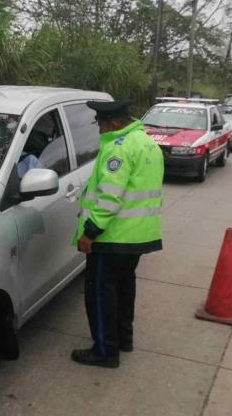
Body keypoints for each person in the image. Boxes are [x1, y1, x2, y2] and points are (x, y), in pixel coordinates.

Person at [70, 100, 164, 368]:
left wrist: (90, 233)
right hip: (138, 236)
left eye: (100, 125)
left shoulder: (117, 149)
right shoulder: (146, 142)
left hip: (112, 237)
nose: (99, 131)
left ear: (112, 124)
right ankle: (123, 339)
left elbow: (110, 199)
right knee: (124, 289)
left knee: (100, 295)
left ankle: (104, 351)